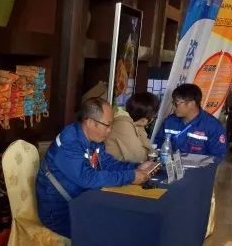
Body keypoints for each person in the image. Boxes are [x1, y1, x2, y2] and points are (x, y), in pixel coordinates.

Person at [36, 97, 155, 238]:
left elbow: (108, 164)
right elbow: (87, 178)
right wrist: (131, 176)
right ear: (90, 122)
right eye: (107, 125)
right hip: (59, 211)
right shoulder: (70, 142)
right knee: (107, 234)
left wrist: (137, 167)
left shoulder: (94, 139)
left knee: (123, 221)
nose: (110, 131)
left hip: (82, 200)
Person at [154, 83, 227, 160]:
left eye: (176, 103)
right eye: (173, 103)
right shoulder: (169, 122)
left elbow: (217, 156)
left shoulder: (213, 126)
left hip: (197, 167)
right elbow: (158, 144)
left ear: (192, 104)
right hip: (169, 166)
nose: (173, 107)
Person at [106, 92, 160, 163]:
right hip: (112, 167)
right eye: (154, 116)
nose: (153, 119)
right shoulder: (123, 124)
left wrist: (139, 125)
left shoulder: (134, 124)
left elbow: (148, 149)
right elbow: (139, 157)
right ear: (146, 116)